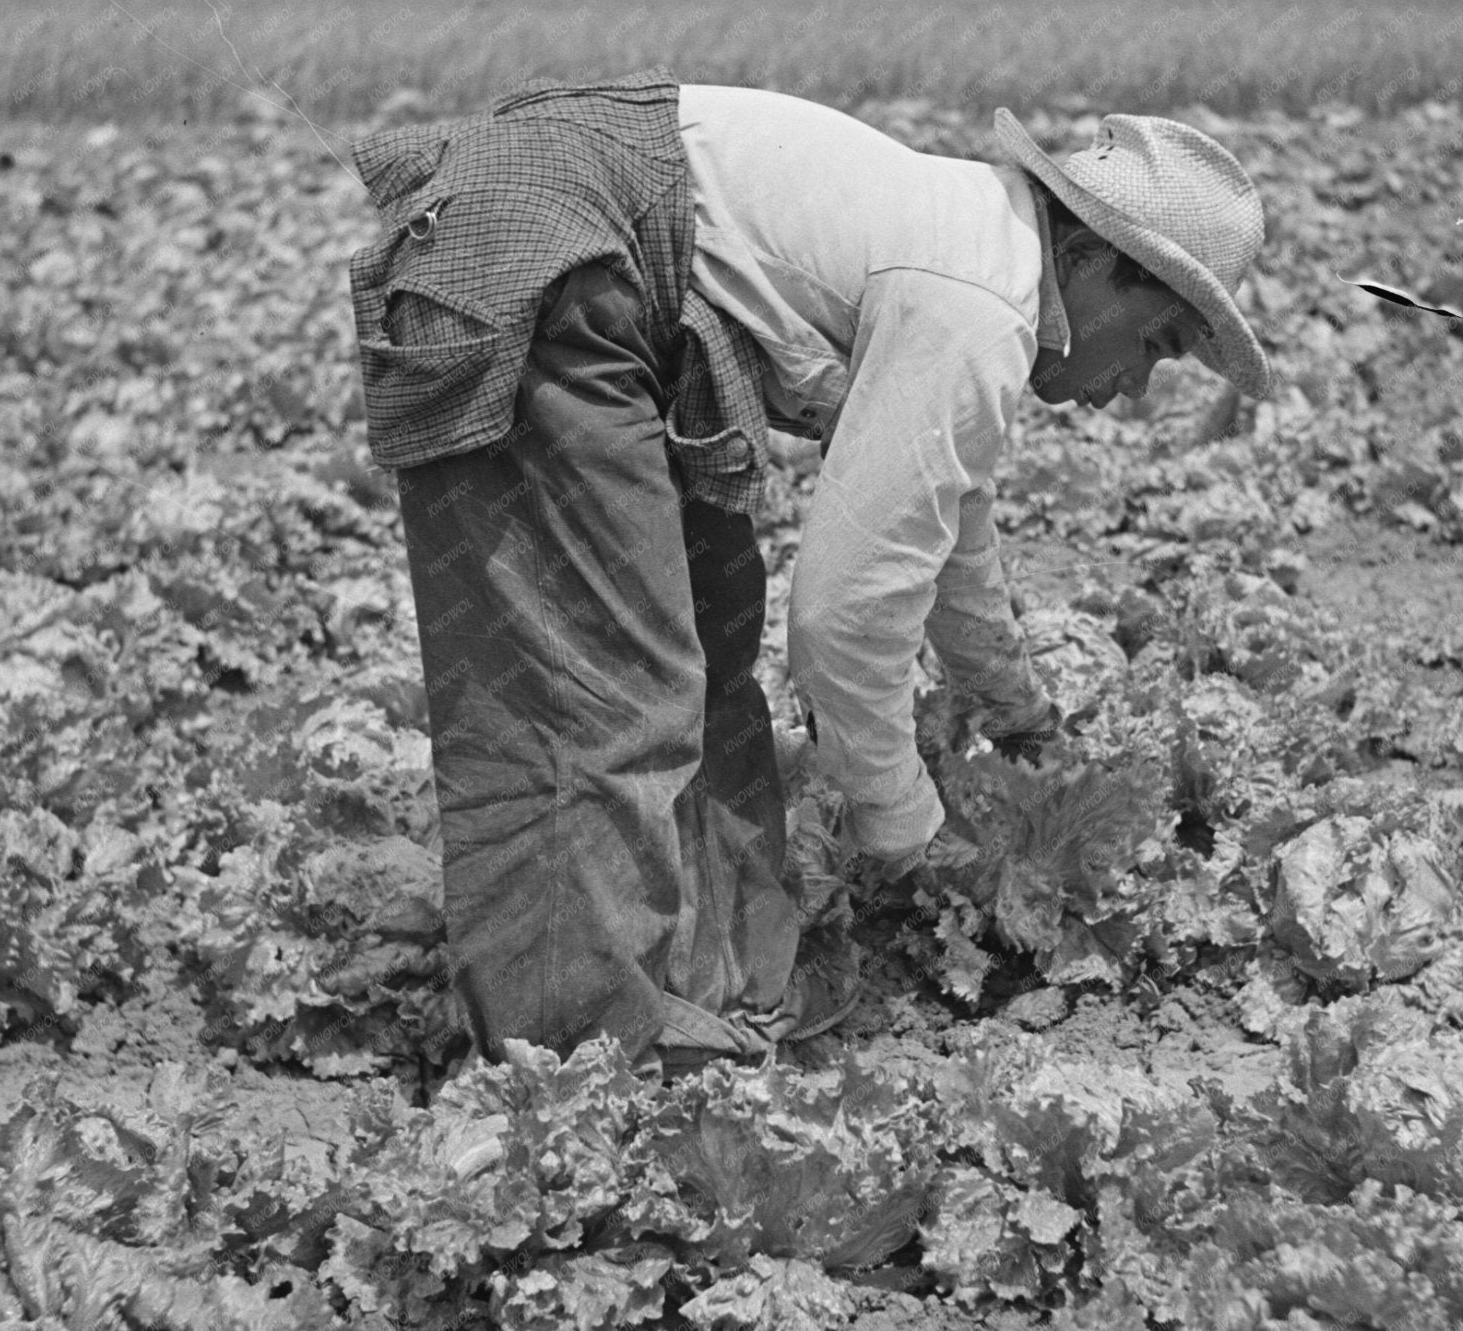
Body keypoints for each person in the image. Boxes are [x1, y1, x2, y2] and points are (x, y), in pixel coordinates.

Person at [346, 72, 1270, 1070]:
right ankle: (562, 1059)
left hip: (616, 272)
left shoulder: (978, 251)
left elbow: (946, 524)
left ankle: (711, 982)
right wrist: (904, 828)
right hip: (539, 248)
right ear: (1094, 261)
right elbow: (842, 617)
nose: (1130, 385)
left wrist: (1014, 707)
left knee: (701, 637)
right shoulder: (973, 302)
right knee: (595, 693)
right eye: (1152, 344)